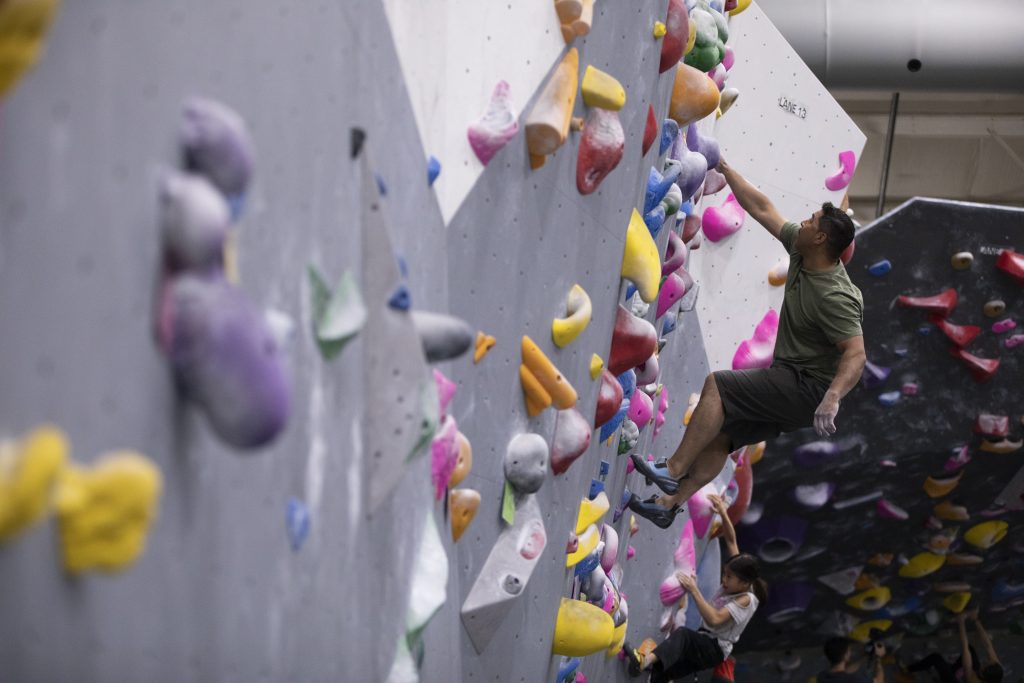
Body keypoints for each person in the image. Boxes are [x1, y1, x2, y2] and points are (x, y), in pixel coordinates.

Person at [629, 158, 866, 526]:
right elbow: (761, 207)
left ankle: (673, 468)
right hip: (795, 383)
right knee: (723, 435)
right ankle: (669, 503)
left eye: (810, 222)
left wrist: (832, 398)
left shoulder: (837, 296)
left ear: (820, 238)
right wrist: (725, 168)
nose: (802, 222)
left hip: (809, 390)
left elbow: (856, 353)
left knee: (718, 387)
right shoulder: (803, 252)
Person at [626, 495, 767, 682]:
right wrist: (723, 513)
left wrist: (694, 590)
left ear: (744, 583)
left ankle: (644, 661)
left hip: (713, 649)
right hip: (706, 642)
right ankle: (645, 669)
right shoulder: (740, 576)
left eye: (729, 577)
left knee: (683, 636)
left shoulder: (746, 600)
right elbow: (732, 541)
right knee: (664, 674)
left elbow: (715, 620)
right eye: (724, 574)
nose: (724, 580)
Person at [901, 610, 1003, 682]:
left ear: (982, 674)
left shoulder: (973, 680)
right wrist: (976, 620)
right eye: (987, 662)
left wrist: (961, 621)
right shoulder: (996, 667)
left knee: (936, 658)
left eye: (984, 665)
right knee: (971, 650)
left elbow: (964, 646)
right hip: (981, 675)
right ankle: (953, 670)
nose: (984, 662)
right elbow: (988, 645)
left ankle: (908, 669)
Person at [819, 636, 885, 683]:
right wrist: (878, 658)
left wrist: (865, 657)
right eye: (849, 650)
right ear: (845, 656)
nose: (851, 652)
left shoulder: (823, 676)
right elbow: (879, 681)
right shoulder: (854, 680)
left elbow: (845, 673)